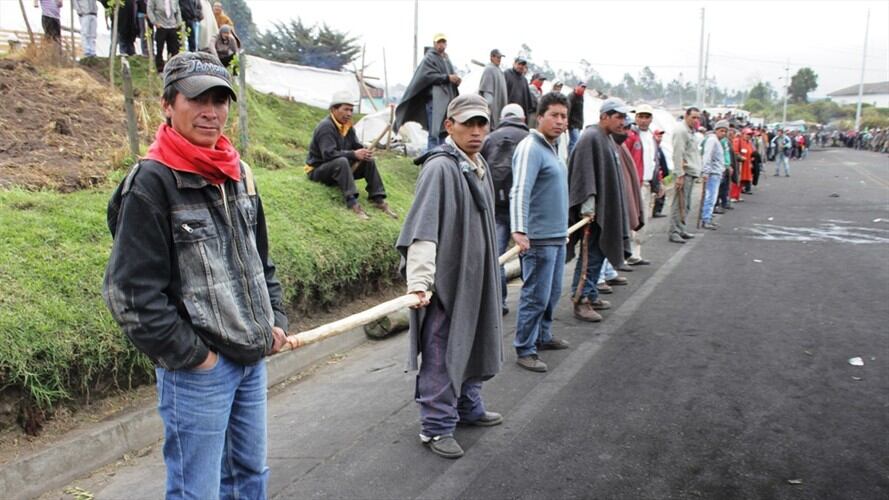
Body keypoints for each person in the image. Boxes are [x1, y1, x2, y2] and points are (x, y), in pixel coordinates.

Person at [103, 52, 288, 499]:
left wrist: (275, 319)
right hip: (199, 373)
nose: (211, 112)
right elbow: (129, 293)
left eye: (219, 100)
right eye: (197, 99)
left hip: (251, 359)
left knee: (250, 476)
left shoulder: (239, 174)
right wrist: (196, 356)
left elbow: (260, 260)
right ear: (168, 105)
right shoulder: (151, 183)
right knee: (196, 491)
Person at [396, 94, 504, 459]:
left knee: (475, 339)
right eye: (467, 124)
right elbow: (423, 229)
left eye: (481, 124)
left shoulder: (478, 164)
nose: (476, 132)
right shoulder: (440, 168)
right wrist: (420, 283)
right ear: (449, 126)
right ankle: (436, 426)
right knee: (442, 351)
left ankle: (467, 404)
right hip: (447, 282)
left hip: (476, 276)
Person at [510, 92, 571, 373]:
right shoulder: (530, 147)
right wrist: (519, 230)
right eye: (554, 115)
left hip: (556, 236)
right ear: (540, 117)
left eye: (564, 116)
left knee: (552, 293)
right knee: (535, 296)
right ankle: (525, 348)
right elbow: (520, 190)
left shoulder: (554, 148)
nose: (560, 121)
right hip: (538, 239)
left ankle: (543, 336)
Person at [567, 98, 635, 323]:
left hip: (602, 210)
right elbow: (583, 174)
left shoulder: (606, 137)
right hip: (593, 213)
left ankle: (591, 293)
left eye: (624, 117)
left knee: (598, 254)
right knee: (590, 257)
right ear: (604, 116)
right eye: (618, 117)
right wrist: (588, 207)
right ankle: (581, 299)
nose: (622, 122)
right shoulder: (591, 137)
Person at [305, 91, 397, 220]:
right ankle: (352, 203)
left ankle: (377, 199)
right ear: (334, 109)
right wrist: (354, 154)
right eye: (346, 109)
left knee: (368, 160)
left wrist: (364, 151)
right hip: (318, 170)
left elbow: (355, 145)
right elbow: (328, 154)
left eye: (351, 110)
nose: (349, 113)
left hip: (337, 170)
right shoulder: (326, 127)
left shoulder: (347, 126)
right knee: (342, 161)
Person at [480, 103, 529, 316]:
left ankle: (499, 303)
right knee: (528, 255)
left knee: (497, 256)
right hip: (524, 209)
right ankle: (529, 302)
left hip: (497, 207)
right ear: (523, 119)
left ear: (502, 118)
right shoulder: (530, 139)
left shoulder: (489, 138)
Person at [395, 34, 461, 152]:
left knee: (444, 131)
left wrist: (455, 80)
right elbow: (426, 76)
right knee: (434, 132)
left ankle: (442, 156)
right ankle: (432, 157)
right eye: (439, 42)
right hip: (434, 101)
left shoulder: (446, 59)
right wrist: (447, 78)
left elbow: (450, 75)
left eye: (443, 42)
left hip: (446, 102)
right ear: (434, 44)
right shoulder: (429, 58)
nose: (441, 45)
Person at [624, 104, 657, 266]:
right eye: (641, 116)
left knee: (643, 220)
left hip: (647, 183)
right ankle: (626, 254)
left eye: (647, 117)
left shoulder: (651, 136)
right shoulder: (631, 136)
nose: (643, 120)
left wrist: (658, 183)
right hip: (634, 184)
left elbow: (654, 160)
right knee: (632, 219)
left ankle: (636, 254)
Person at [669, 107, 702, 244]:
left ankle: (681, 228)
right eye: (693, 117)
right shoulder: (681, 131)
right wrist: (679, 175)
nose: (696, 120)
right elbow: (678, 154)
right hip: (685, 172)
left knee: (686, 204)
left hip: (691, 171)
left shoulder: (691, 131)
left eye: (698, 118)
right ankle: (674, 231)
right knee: (679, 203)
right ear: (686, 116)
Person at [700, 120, 728, 230]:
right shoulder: (712, 140)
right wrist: (705, 171)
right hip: (712, 173)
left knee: (713, 196)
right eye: (721, 131)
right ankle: (706, 219)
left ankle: (708, 216)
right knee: (710, 197)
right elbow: (707, 156)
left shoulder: (718, 141)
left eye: (725, 131)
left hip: (717, 172)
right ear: (716, 130)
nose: (723, 133)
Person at [147, 0, 182, 73]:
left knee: (174, 49)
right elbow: (149, 10)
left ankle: (174, 68)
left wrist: (178, 22)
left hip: (172, 26)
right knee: (159, 49)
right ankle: (160, 69)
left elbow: (178, 10)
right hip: (161, 26)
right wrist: (154, 22)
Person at [478, 49, 508, 129]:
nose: (499, 59)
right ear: (492, 57)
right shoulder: (489, 69)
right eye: (497, 57)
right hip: (492, 111)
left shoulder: (499, 71)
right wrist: (488, 108)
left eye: (500, 58)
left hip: (499, 109)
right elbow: (487, 92)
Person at [503, 57, 534, 121]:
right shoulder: (507, 74)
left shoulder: (524, 80)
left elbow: (528, 100)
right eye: (519, 64)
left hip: (520, 113)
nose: (521, 66)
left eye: (523, 65)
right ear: (514, 64)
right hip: (508, 111)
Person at [650, 129, 670, 218]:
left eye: (661, 136)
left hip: (659, 173)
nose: (660, 138)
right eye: (658, 136)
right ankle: (656, 211)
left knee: (661, 191)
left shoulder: (659, 148)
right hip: (654, 173)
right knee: (660, 191)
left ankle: (657, 210)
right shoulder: (652, 147)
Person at [567, 82, 586, 154]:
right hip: (573, 124)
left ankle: (569, 157)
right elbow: (567, 110)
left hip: (578, 124)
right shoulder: (571, 96)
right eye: (582, 87)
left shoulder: (581, 97)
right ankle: (571, 157)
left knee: (573, 142)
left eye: (584, 88)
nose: (583, 89)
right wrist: (566, 122)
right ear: (577, 86)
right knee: (576, 142)